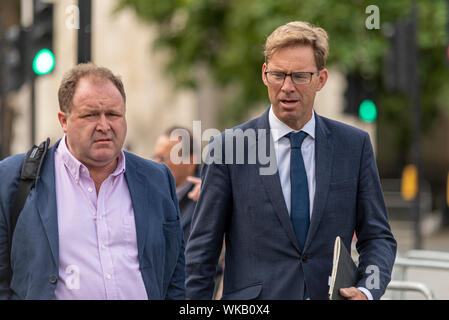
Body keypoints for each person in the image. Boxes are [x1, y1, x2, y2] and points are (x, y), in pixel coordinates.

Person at [185, 21, 397, 300]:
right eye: (278, 74)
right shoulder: (227, 148)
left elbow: (378, 238)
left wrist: (366, 290)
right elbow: (202, 252)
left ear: (321, 79)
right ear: (264, 74)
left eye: (299, 76)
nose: (286, 87)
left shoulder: (353, 146)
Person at [0, 63, 185, 300]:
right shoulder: (14, 178)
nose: (104, 126)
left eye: (113, 114)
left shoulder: (156, 179)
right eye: (90, 115)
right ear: (63, 120)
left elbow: (174, 276)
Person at [153, 126, 200, 242]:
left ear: (191, 163)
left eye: (164, 158)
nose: (157, 164)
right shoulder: (148, 195)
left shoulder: (205, 198)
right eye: (156, 157)